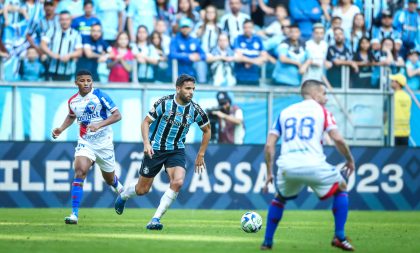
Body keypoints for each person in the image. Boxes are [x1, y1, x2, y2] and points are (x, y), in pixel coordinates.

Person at [260, 79, 355, 251]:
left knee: (280, 198)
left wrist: (269, 173)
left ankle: (267, 242)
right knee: (341, 186)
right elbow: (338, 139)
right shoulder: (322, 112)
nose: (326, 98)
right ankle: (339, 236)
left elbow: (269, 145)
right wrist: (349, 159)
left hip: (287, 166)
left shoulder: (285, 112)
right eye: (324, 93)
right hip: (313, 164)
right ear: (314, 94)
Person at [114, 74, 211, 230]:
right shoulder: (164, 103)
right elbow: (146, 122)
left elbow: (207, 130)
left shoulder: (195, 110)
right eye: (187, 88)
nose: (191, 92)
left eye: (193, 89)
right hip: (156, 149)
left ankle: (155, 219)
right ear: (178, 88)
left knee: (178, 182)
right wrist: (146, 143)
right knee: (142, 190)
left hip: (176, 150)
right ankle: (124, 195)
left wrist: (201, 154)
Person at [52, 70, 124, 225]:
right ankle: (74, 214)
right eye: (82, 80)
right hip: (85, 142)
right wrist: (60, 129)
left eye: (88, 80)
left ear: (92, 81)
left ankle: (119, 188)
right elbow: (71, 116)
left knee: (109, 179)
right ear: (76, 83)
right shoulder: (73, 101)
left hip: (104, 143)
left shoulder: (99, 95)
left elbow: (117, 115)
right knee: (80, 171)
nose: (86, 83)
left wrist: (99, 124)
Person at [389, 74, 412, 146]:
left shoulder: (391, 96)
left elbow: (385, 116)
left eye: (393, 81)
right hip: (405, 132)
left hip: (392, 133)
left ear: (398, 83)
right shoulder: (408, 97)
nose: (391, 82)